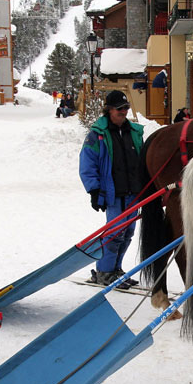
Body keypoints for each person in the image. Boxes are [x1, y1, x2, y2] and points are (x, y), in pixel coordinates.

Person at [79, 89, 144, 287]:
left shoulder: (134, 132)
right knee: (115, 234)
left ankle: (115, 268)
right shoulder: (97, 135)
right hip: (113, 194)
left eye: (126, 108)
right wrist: (94, 190)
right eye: (119, 109)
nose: (123, 112)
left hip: (133, 193)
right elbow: (87, 165)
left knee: (128, 233)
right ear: (109, 110)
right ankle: (104, 271)